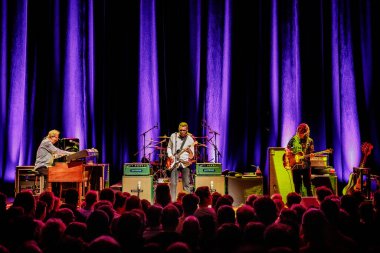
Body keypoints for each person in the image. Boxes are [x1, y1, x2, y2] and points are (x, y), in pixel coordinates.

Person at [167, 122, 195, 201]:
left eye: (184, 130)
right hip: (174, 163)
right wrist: (170, 156)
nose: (182, 132)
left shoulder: (190, 139)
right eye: (181, 130)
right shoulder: (173, 136)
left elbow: (191, 156)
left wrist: (189, 151)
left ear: (187, 130)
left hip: (185, 164)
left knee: (186, 184)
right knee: (173, 184)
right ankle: (173, 201)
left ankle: (188, 202)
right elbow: (169, 147)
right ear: (178, 129)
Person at [286, 123, 314, 196]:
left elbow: (311, 152)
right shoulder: (293, 139)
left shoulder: (310, 141)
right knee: (297, 186)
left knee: (308, 186)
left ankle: (310, 203)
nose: (300, 134)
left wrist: (311, 155)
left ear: (306, 132)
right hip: (295, 166)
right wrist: (291, 155)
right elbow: (287, 149)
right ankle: (296, 203)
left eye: (302, 133)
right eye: (299, 133)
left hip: (306, 166)